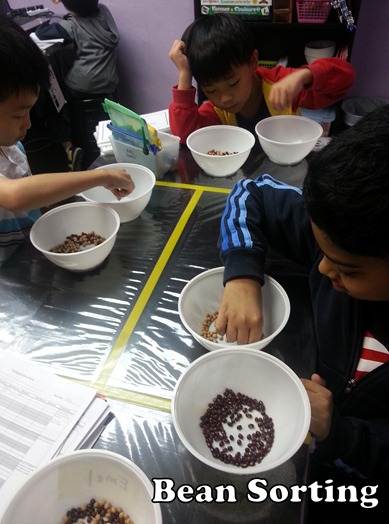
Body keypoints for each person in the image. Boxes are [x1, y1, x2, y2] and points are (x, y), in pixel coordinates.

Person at [215, 106, 389, 521]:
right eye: (322, 252)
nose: (325, 269)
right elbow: (250, 192)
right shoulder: (338, 223)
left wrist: (342, 433)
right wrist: (241, 274)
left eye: (346, 269)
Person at [0, 15, 133, 266]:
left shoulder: (13, 148)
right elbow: (14, 196)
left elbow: (32, 201)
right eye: (18, 114)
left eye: (30, 112)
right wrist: (102, 176)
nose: (28, 124)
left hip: (25, 257)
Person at [168, 13, 355, 143]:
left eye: (233, 83)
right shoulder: (216, 111)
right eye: (210, 90)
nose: (224, 98)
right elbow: (185, 136)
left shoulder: (281, 86)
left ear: (253, 61)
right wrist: (185, 74)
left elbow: (345, 79)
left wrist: (304, 76)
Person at [35, 0, 120, 169]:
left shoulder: (70, 26)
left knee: (52, 101)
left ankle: (68, 148)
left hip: (83, 85)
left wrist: (66, 16)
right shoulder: (104, 11)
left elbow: (42, 32)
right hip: (110, 81)